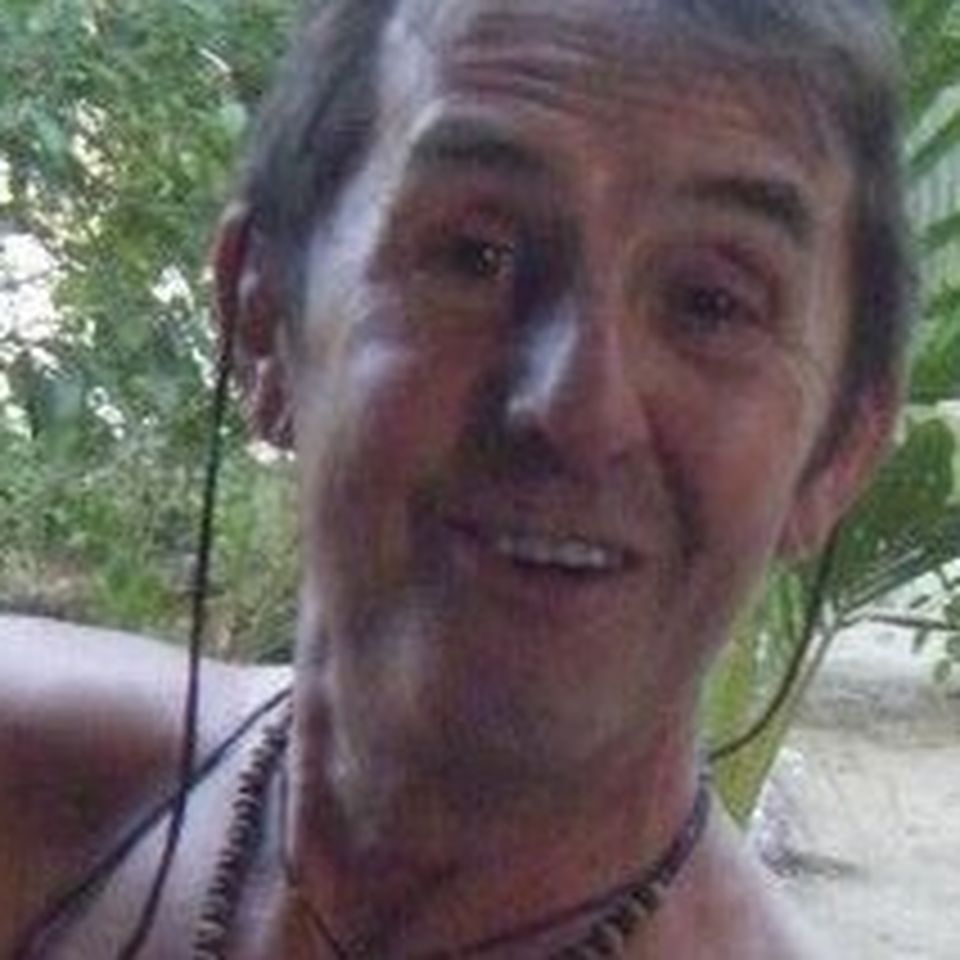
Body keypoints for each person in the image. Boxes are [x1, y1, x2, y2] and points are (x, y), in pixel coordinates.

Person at [0, 0, 913, 956]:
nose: (580, 409)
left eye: (712, 303)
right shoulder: (35, 790)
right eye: (476, 255)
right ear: (263, 322)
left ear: (840, 449)